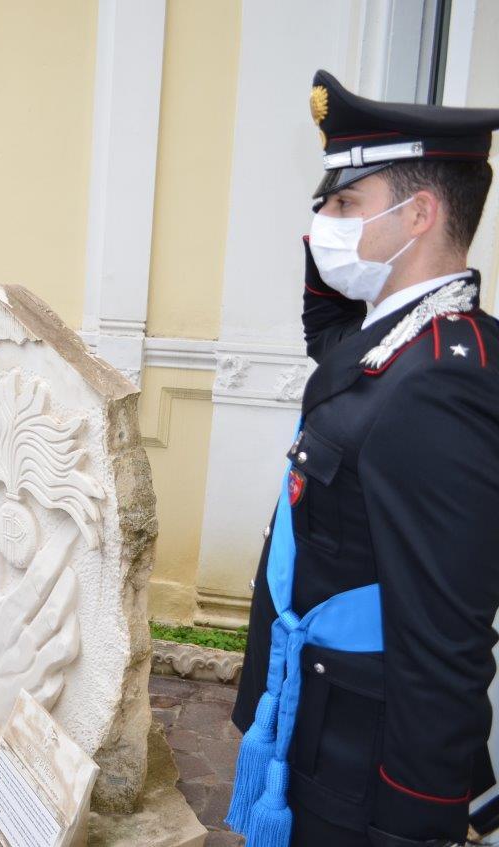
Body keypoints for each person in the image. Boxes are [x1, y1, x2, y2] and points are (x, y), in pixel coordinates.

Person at [227, 71, 499, 847]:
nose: (325, 223)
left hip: (362, 772)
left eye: (346, 204)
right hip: (311, 716)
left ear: (419, 215)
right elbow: (330, 335)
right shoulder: (391, 339)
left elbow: (445, 639)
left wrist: (416, 823)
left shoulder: (443, 382)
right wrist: (329, 239)